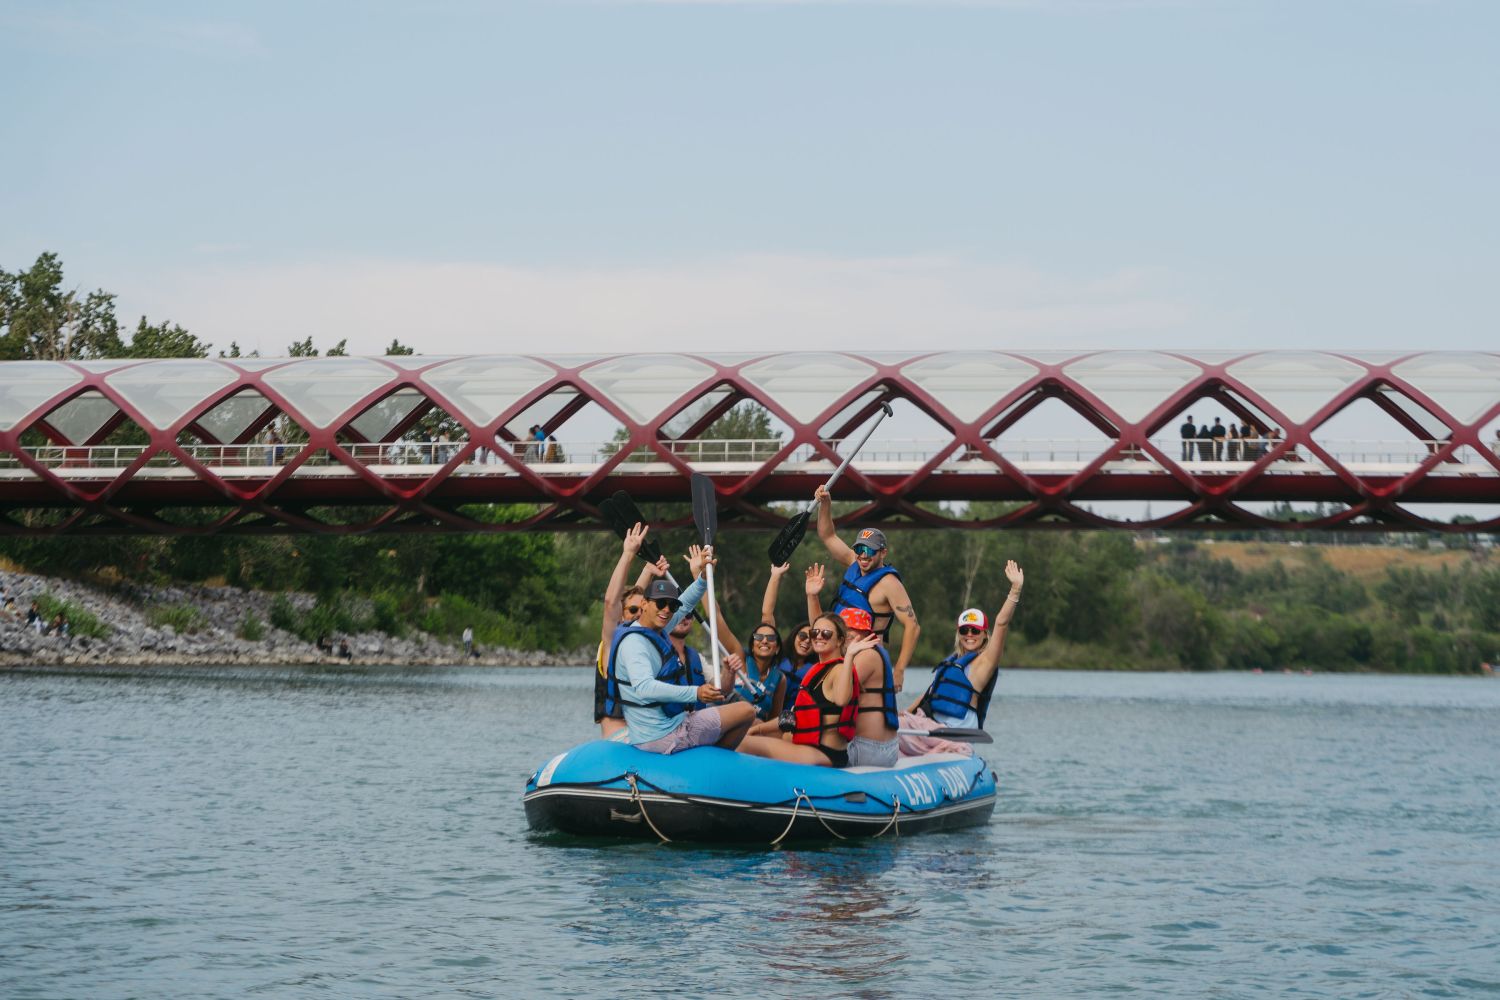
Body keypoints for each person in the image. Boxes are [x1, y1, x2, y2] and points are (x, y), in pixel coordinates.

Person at [602, 547, 756, 754]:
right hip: (662, 735)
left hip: (661, 727)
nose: (667, 609)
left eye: (670, 605)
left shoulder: (654, 628)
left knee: (729, 711)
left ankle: (710, 758)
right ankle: (715, 760)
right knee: (747, 711)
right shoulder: (634, 644)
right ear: (645, 604)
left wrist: (702, 577)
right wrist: (697, 692)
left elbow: (685, 604)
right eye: (661, 603)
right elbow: (644, 688)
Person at [737, 613, 882, 766]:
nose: (819, 636)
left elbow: (841, 699)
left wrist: (850, 657)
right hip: (808, 746)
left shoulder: (840, 669)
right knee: (748, 733)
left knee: (744, 744)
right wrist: (758, 729)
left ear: (840, 640)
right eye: (815, 632)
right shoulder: (817, 671)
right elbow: (794, 716)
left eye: (826, 633)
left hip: (826, 753)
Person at [813, 485, 920, 689]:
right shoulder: (854, 562)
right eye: (859, 549)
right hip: (837, 650)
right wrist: (825, 504)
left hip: (864, 656)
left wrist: (899, 670)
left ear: (883, 553)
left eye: (870, 551)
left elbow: (913, 626)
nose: (863, 555)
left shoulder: (889, 583)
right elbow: (827, 535)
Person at [908, 560, 1024, 731]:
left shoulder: (986, 662)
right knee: (894, 722)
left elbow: (1001, 623)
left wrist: (1015, 590)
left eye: (975, 630)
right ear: (958, 633)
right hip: (932, 722)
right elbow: (930, 693)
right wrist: (905, 713)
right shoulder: (952, 662)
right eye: (964, 630)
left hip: (959, 726)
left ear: (985, 634)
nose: (969, 634)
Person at [595, 522, 670, 738]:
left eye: (643, 608)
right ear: (621, 615)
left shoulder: (641, 640)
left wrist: (648, 571)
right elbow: (611, 602)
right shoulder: (613, 641)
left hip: (648, 730)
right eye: (633, 610)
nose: (639, 613)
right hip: (620, 737)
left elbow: (634, 601)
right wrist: (628, 555)